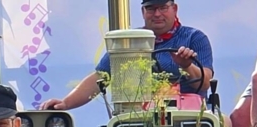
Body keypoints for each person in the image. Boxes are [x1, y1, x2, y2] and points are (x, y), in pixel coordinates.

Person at [40, 0, 214, 111]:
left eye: (163, 7)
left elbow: (205, 82)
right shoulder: (130, 41)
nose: (157, 14)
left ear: (174, 9)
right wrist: (65, 103)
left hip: (188, 115)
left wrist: (186, 65)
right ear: (143, 12)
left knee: (225, 124)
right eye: (151, 8)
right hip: (139, 117)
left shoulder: (194, 37)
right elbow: (101, 77)